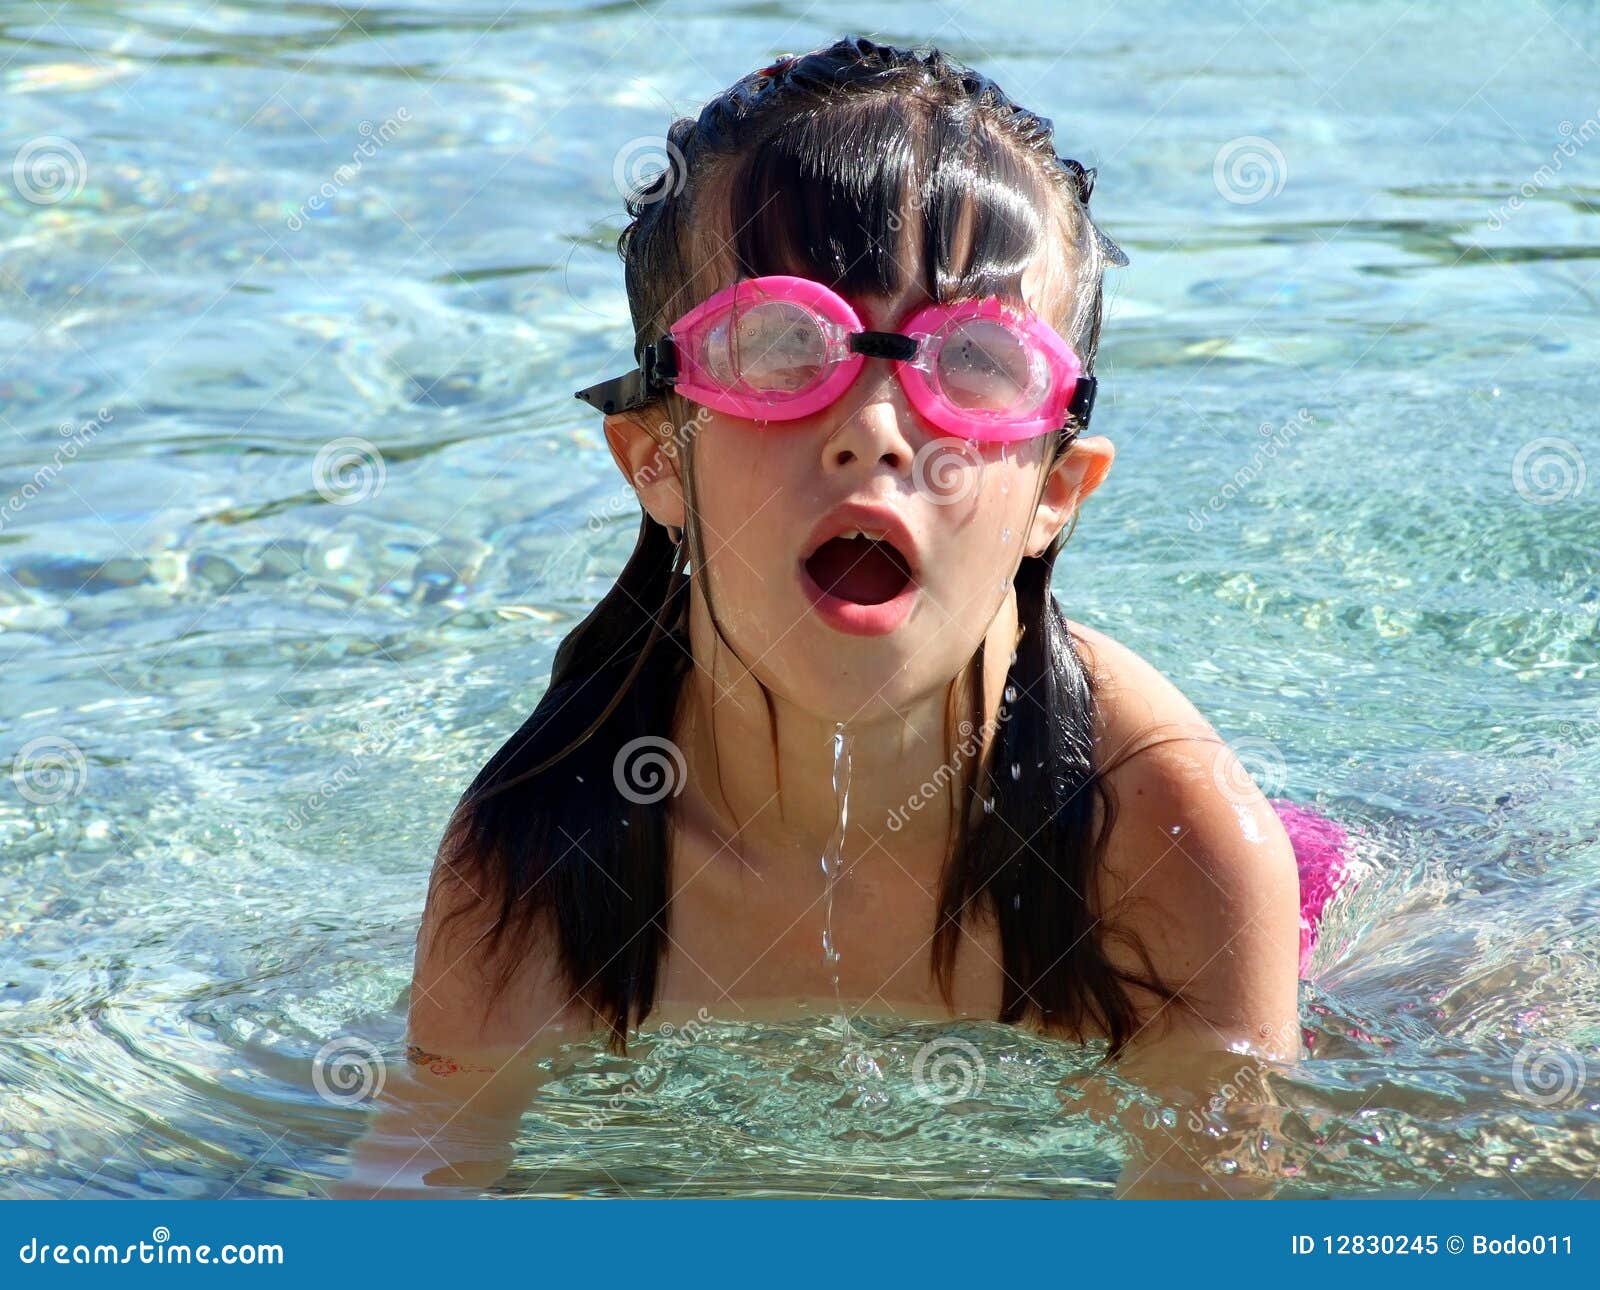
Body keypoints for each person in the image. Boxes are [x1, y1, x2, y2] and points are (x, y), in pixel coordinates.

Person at [342, 34, 1354, 1198]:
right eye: (783, 347)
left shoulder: (1168, 845)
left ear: (1057, 494)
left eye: (973, 361)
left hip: (1331, 930)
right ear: (655, 458)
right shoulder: (537, 863)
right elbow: (408, 1190)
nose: (874, 430)